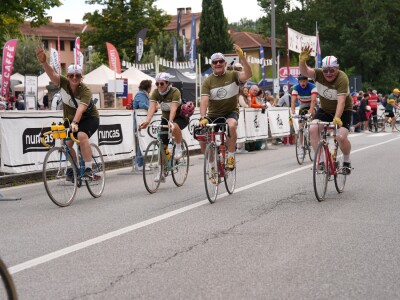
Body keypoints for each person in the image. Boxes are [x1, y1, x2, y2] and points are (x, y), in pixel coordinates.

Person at [36, 46, 100, 180]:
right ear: (68, 76)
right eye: (71, 75)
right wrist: (44, 62)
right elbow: (52, 74)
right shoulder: (63, 82)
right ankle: (74, 169)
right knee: (67, 144)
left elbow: (81, 108)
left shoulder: (85, 91)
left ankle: (89, 168)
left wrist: (75, 123)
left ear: (81, 77)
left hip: (89, 118)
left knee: (82, 136)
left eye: (77, 76)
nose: (74, 78)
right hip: (71, 119)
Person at [299, 46, 353, 174]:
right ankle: (321, 162)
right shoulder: (318, 74)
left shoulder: (342, 78)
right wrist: (302, 61)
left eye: (331, 70)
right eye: (326, 70)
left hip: (343, 110)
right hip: (325, 109)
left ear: (337, 69)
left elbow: (341, 101)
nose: (328, 73)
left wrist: (337, 117)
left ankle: (346, 160)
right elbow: (305, 71)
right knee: (312, 128)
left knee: (341, 136)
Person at [199, 44, 252, 170]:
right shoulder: (207, 81)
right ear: (211, 65)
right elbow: (204, 101)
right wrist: (202, 117)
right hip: (213, 114)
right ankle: (212, 167)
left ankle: (231, 156)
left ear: (225, 63)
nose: (218, 64)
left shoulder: (233, 75)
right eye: (215, 62)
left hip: (230, 112)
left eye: (220, 61)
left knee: (231, 125)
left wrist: (242, 58)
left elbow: (249, 74)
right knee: (201, 138)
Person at [140, 72, 188, 182]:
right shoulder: (156, 92)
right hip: (165, 118)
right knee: (162, 146)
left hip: (179, 116)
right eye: (157, 84)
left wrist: (170, 122)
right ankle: (161, 171)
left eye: (162, 83)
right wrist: (147, 121)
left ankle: (178, 147)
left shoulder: (175, 91)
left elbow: (173, 108)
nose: (159, 86)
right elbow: (152, 107)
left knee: (174, 126)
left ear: (168, 83)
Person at [291, 74, 318, 154]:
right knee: (301, 126)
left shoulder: (312, 87)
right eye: (301, 81)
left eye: (304, 81)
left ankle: (312, 132)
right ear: (298, 81)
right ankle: (301, 146)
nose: (302, 83)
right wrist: (293, 112)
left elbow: (313, 101)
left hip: (311, 105)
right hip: (303, 106)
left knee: (312, 114)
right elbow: (293, 101)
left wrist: (310, 111)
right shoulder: (296, 88)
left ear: (307, 81)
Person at [133, 79, 152, 171]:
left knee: (143, 141)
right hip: (139, 121)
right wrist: (153, 109)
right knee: (141, 142)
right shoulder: (140, 94)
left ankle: (141, 163)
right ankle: (140, 164)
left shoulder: (143, 94)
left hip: (142, 121)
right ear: (147, 87)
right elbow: (142, 105)